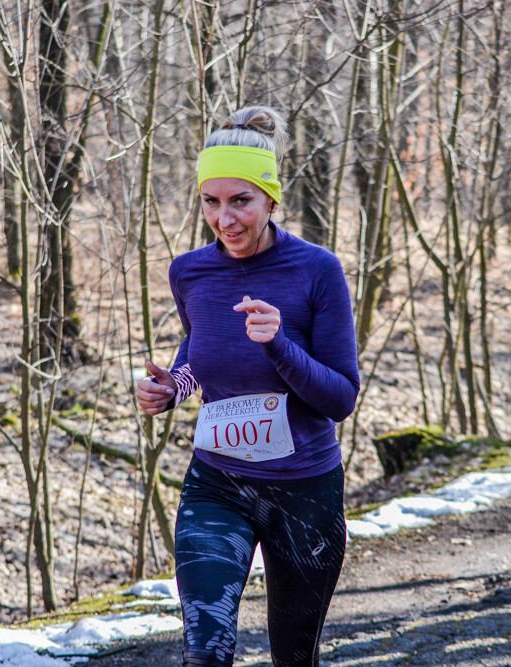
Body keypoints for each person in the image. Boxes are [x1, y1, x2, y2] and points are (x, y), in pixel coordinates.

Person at [135, 106, 359, 666]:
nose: (225, 218)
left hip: (304, 491)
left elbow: (341, 399)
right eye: (211, 201)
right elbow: (198, 355)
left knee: (292, 658)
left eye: (242, 201)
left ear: (271, 199)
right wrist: (173, 389)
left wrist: (280, 346)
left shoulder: (317, 270)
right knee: (205, 654)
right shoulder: (190, 271)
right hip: (216, 485)